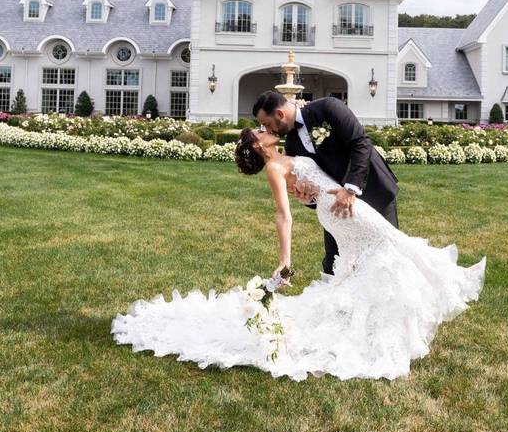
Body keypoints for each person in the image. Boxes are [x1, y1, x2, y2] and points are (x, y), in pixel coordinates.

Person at [110, 126, 485, 380]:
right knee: (389, 249)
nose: (264, 129)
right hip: (341, 212)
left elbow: (307, 185)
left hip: (340, 205)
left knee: (379, 258)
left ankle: (385, 323)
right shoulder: (274, 167)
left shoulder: (288, 153)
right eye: (259, 131)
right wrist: (285, 260)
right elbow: (282, 215)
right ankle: (415, 307)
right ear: (258, 146)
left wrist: (309, 189)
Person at [253, 91, 399, 281]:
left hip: (372, 188)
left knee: (389, 256)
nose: (267, 129)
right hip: (336, 209)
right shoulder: (291, 143)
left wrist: (350, 189)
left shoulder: (328, 107)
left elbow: (360, 143)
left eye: (267, 124)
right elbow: (315, 184)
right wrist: (308, 199)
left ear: (280, 114)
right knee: (334, 267)